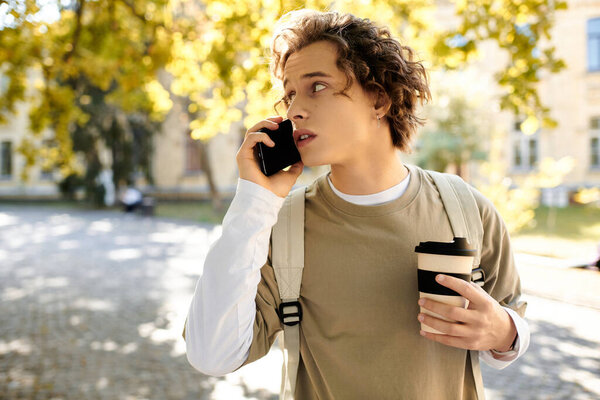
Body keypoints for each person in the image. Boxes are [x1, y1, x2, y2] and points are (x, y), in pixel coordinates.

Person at [184, 9, 530, 399]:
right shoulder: (280, 225)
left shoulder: (465, 207)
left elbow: (511, 325)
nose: (294, 110)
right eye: (290, 94)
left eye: (317, 86)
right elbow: (211, 355)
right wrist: (254, 200)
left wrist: (504, 331)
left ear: (379, 99)